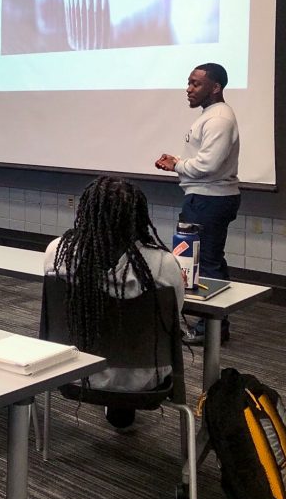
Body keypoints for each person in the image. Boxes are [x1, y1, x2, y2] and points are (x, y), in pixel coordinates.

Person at [45, 176, 184, 432]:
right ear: (138, 217)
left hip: (73, 369)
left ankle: (115, 406)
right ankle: (121, 407)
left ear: (85, 212)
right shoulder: (163, 264)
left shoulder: (57, 253)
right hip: (144, 377)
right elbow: (173, 319)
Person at [154, 62, 239, 343]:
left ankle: (210, 329)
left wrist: (178, 165)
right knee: (206, 260)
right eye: (189, 82)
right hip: (204, 197)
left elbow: (209, 165)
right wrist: (178, 163)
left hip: (209, 199)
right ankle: (215, 326)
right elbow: (203, 161)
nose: (188, 89)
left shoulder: (218, 119)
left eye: (196, 84)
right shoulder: (210, 115)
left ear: (215, 87)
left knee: (206, 263)